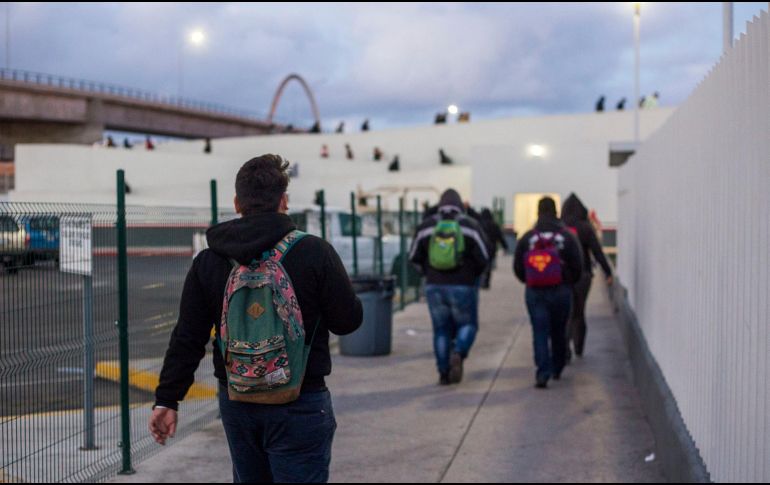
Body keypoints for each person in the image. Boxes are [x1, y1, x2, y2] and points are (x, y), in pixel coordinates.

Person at [150, 154, 363, 483]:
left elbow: (188, 337)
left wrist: (167, 398)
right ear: (284, 201)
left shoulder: (210, 260)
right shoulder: (315, 252)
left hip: (238, 402)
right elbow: (347, 322)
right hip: (300, 399)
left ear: (237, 203)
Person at [409, 189, 489, 385]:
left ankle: (443, 373)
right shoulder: (470, 225)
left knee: (441, 330)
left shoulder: (426, 226)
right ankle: (459, 352)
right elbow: (484, 256)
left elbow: (413, 256)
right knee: (468, 325)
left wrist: (428, 272)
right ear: (460, 205)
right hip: (463, 284)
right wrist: (473, 274)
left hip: (434, 285)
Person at [513, 197, 582, 389]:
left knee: (539, 331)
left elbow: (518, 266)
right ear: (556, 212)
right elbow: (578, 265)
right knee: (559, 331)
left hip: (535, 292)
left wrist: (530, 280)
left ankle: (542, 372)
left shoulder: (528, 237)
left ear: (538, 212)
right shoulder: (567, 237)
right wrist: (567, 281)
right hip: (561, 291)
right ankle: (557, 367)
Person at [561, 194, 613, 361]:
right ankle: (579, 347)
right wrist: (608, 272)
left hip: (563, 276)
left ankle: (564, 348)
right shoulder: (585, 228)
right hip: (583, 276)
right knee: (579, 312)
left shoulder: (561, 227)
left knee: (566, 313)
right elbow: (597, 252)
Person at [479, 208, 508, 289]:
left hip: (482, 247)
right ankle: (486, 282)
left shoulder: (479, 224)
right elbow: (500, 236)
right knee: (488, 266)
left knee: (481, 265)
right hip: (491, 248)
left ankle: (481, 280)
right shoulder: (494, 225)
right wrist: (505, 246)